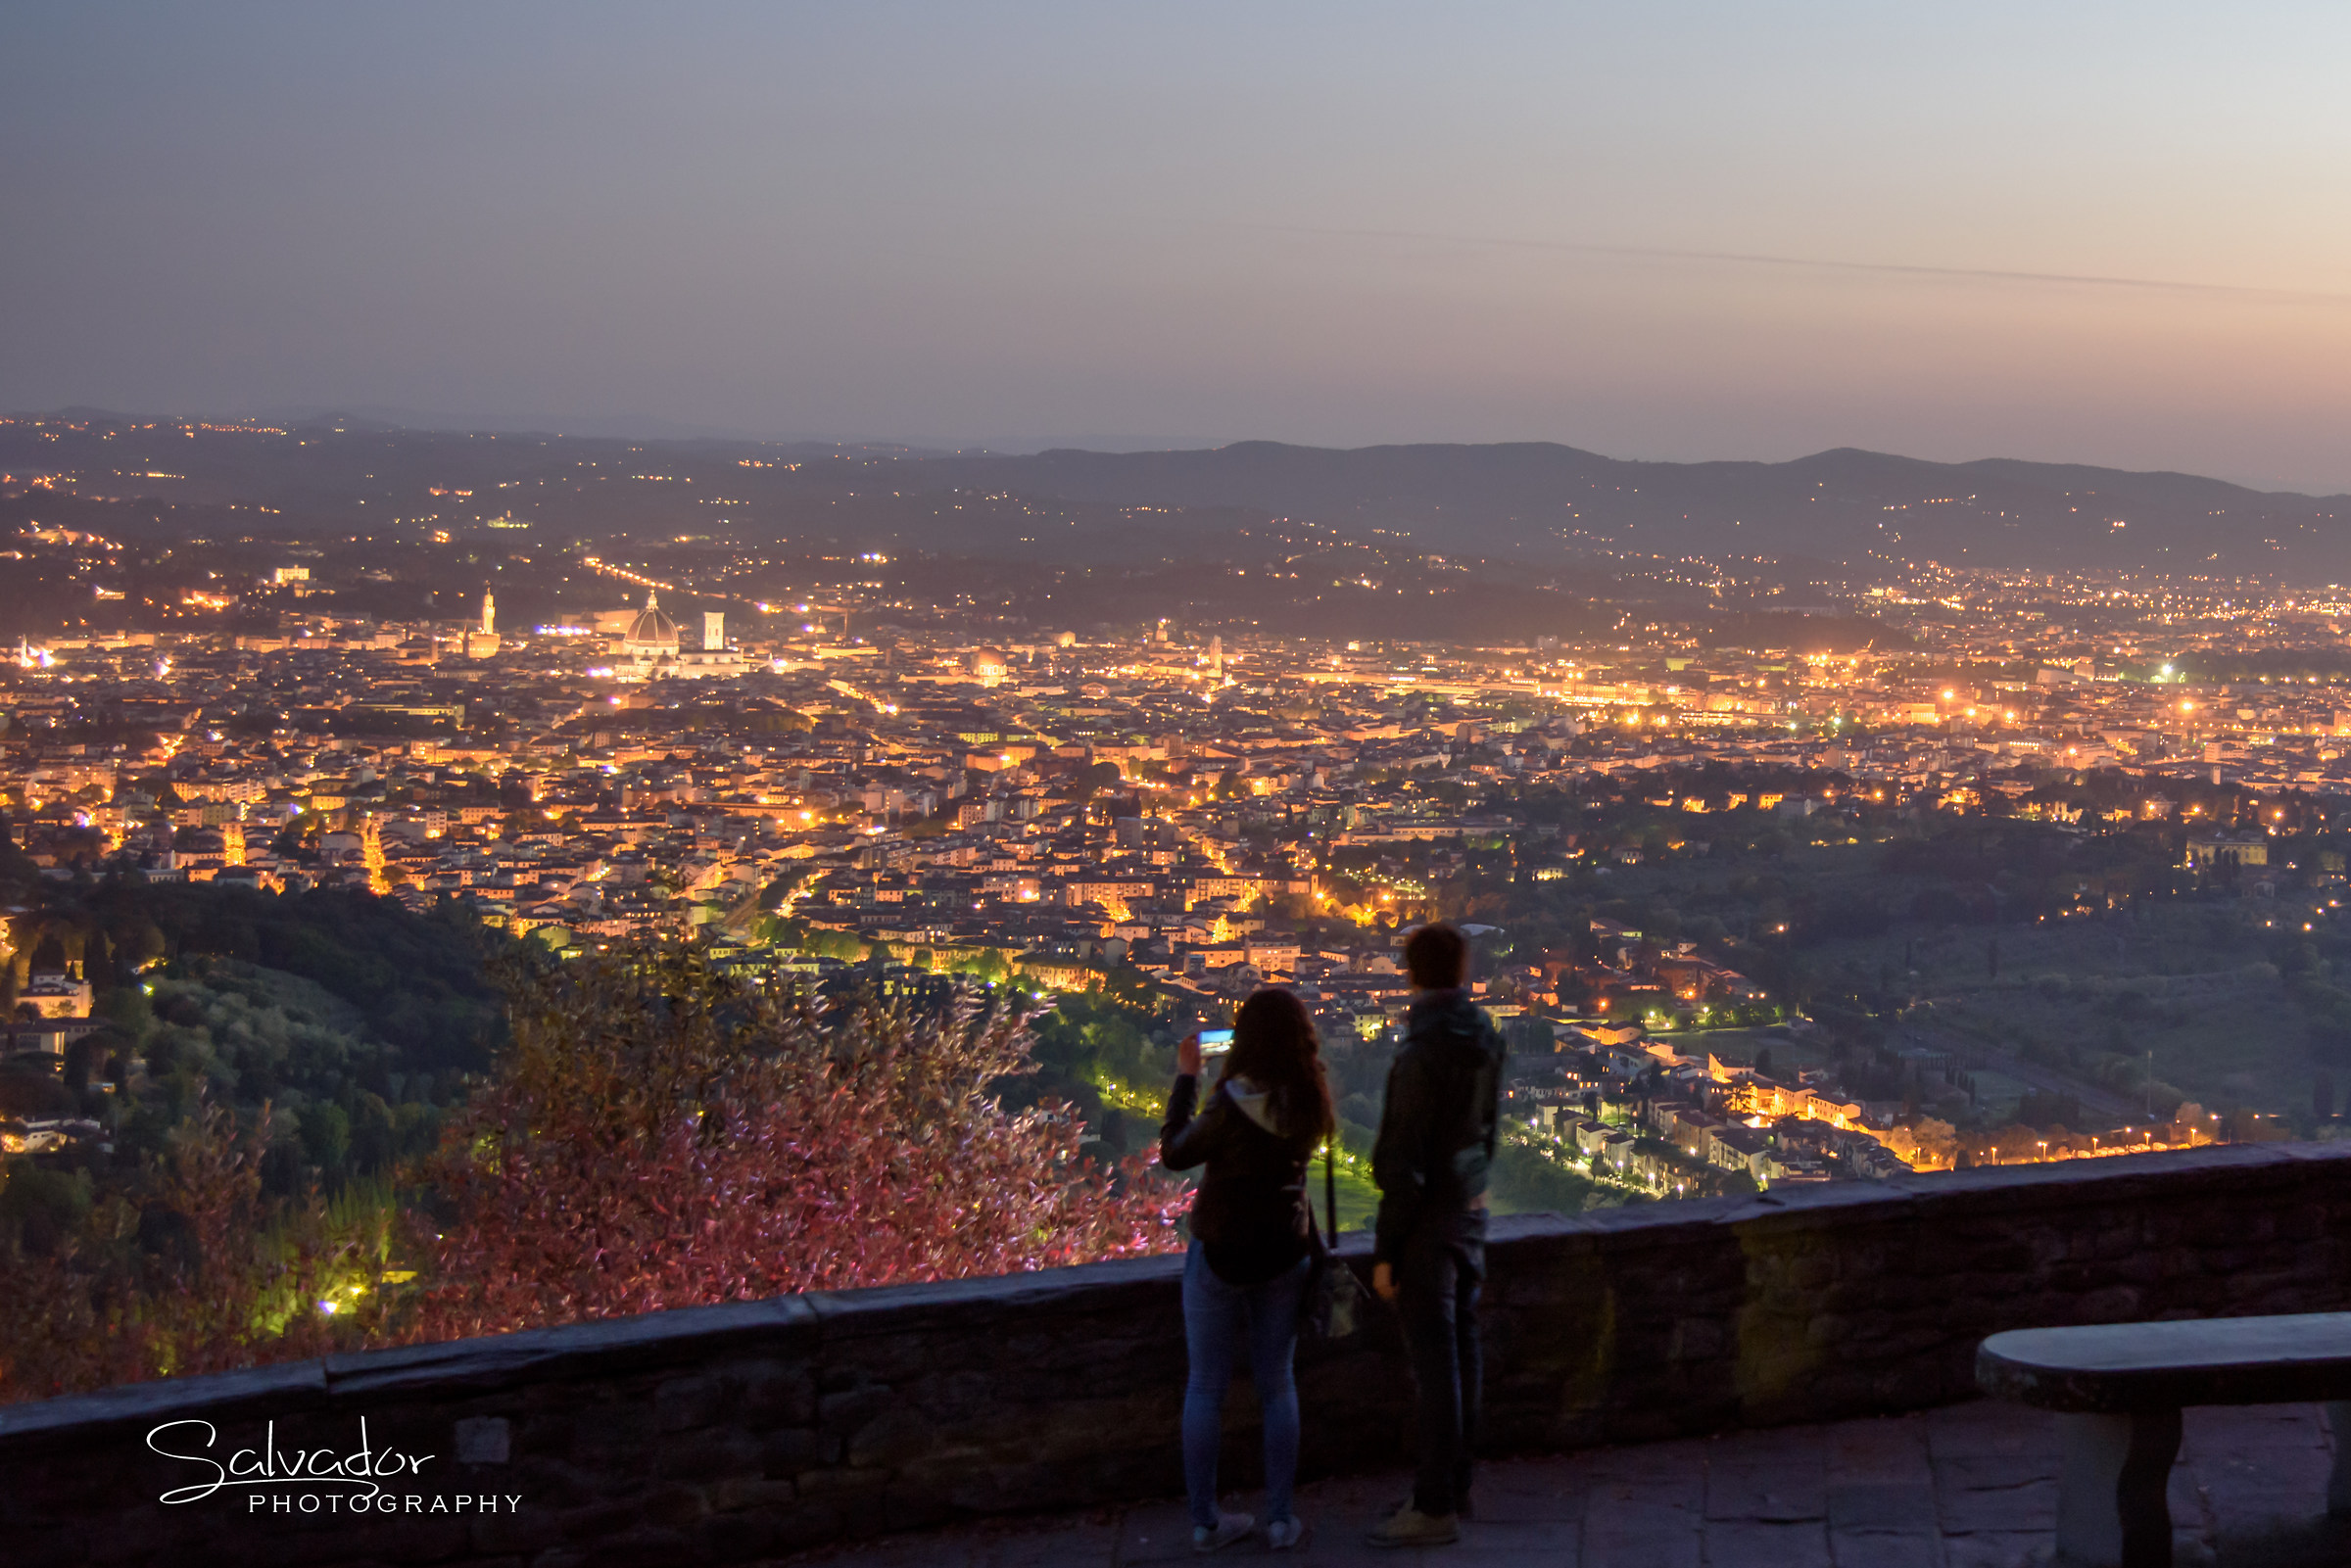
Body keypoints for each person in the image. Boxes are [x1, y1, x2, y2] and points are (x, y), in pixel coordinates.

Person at [1161, 987, 1336, 1553]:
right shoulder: (1310, 1098)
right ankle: (1281, 1520)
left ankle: (1207, 1523)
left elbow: (1176, 1152)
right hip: (1285, 1253)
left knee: (1206, 1388)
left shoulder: (1233, 1100)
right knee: (1277, 1384)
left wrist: (1187, 1078)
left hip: (1222, 1252)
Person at [1365, 923, 1507, 1549]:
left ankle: (1433, 1505)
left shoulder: (1420, 1054)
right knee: (1464, 1355)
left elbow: (1401, 1160)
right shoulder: (1485, 1038)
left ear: (1411, 973)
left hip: (1427, 1222)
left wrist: (1387, 1250)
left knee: (1436, 1367)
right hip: (1469, 1210)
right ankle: (1457, 1484)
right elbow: (1488, 1129)